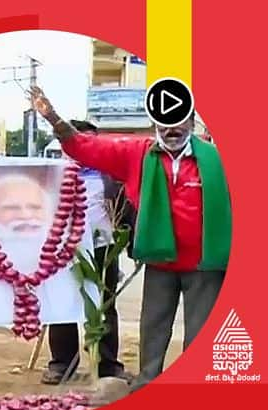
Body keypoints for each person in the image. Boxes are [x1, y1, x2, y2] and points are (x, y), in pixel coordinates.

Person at [30, 86, 231, 390]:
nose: (171, 129)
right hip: (159, 260)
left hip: (205, 263)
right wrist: (53, 118)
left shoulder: (218, 160)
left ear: (191, 122)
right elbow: (85, 147)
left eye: (178, 121)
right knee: (152, 329)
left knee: (201, 333)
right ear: (154, 124)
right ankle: (147, 384)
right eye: (164, 122)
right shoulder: (137, 153)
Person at [41, 120, 129, 384]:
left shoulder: (110, 174)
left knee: (105, 308)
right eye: (79, 142)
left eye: (90, 142)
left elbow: (126, 207)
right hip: (64, 250)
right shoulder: (52, 175)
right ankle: (62, 365)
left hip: (104, 249)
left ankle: (108, 366)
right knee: (62, 304)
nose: (85, 148)